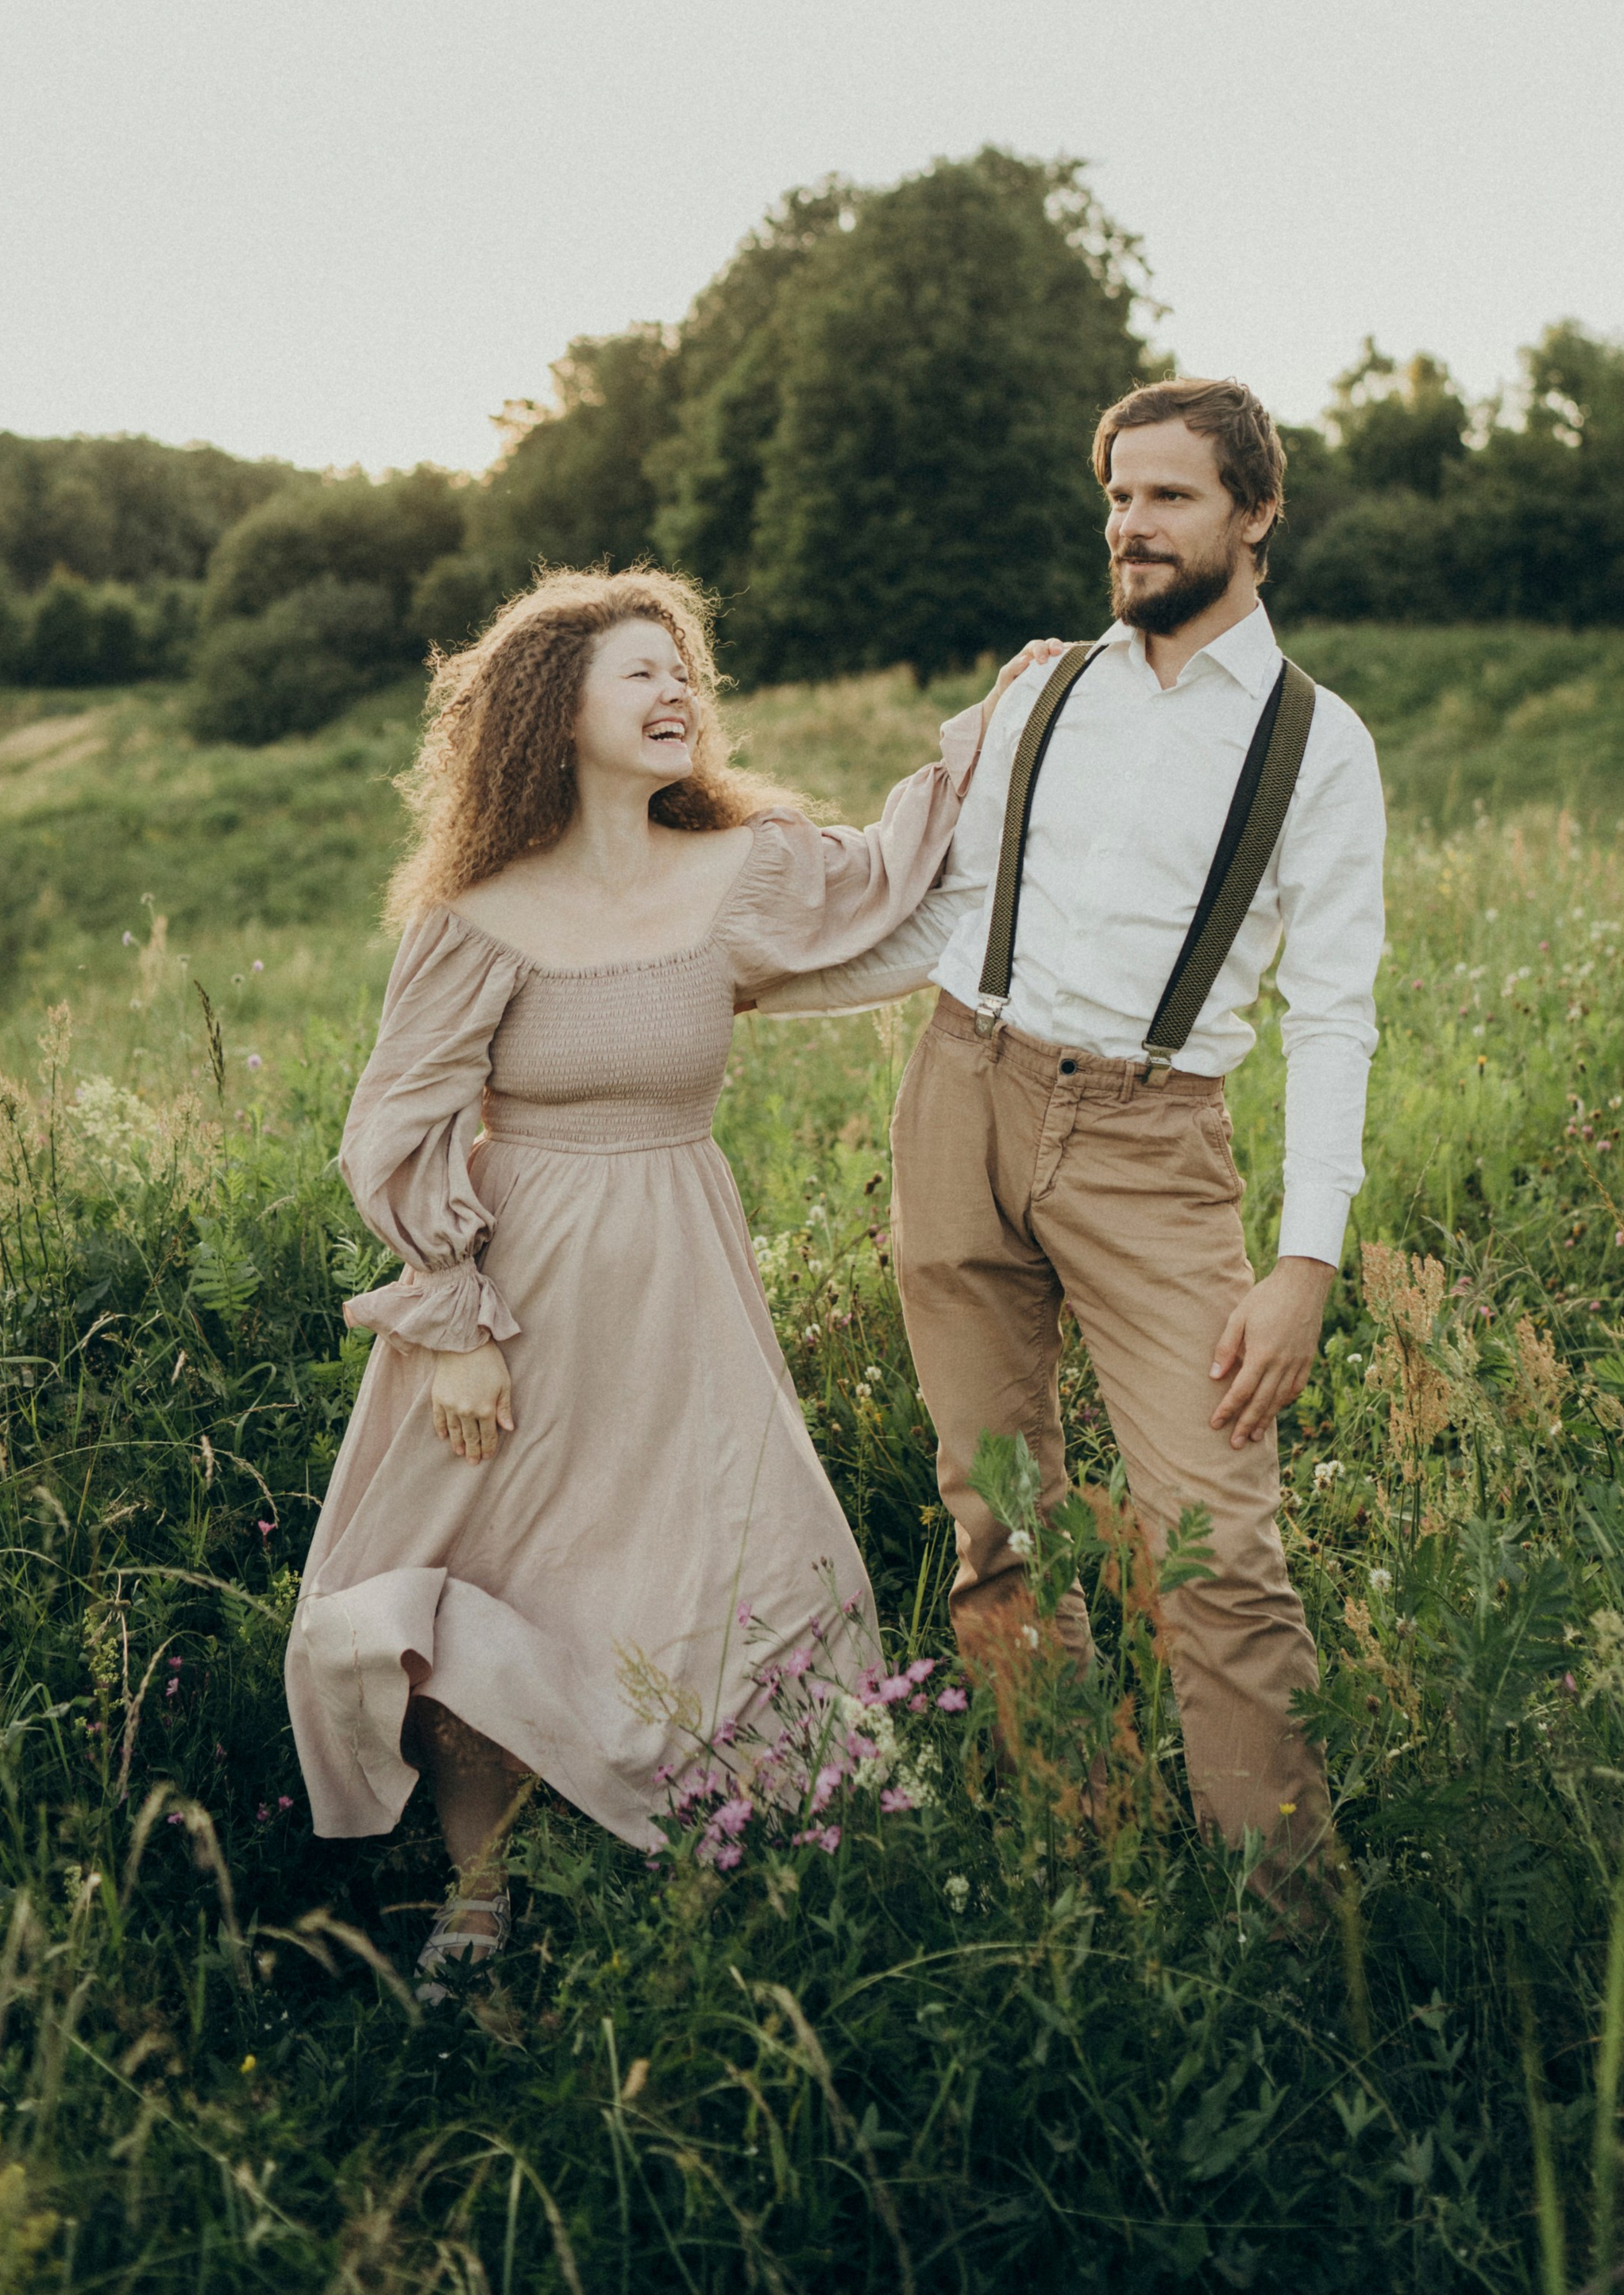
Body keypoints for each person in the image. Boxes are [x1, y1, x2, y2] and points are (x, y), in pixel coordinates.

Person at [285, 566, 1028, 1978]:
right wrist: (453, 1324)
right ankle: (480, 1896)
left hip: (683, 1278)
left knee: (759, 1554)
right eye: (640, 672)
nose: (678, 691)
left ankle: (778, 1869)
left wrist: (1006, 719)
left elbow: (898, 878)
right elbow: (394, 1129)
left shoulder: (743, 871)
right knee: (482, 1572)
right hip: (518, 1291)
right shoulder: (479, 915)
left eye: (685, 671)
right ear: (553, 711)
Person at [757, 379, 1387, 1884]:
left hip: (1152, 1148)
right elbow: (942, 918)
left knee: (1218, 1542)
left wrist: (1306, 1261)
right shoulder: (1039, 693)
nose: (1132, 526)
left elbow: (1334, 1012)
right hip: (960, 1096)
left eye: (1169, 496)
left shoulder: (1317, 744)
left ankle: (1290, 1916)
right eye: (1118, 497)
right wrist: (722, 988)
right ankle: (1073, 1851)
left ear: (1256, 513)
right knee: (1000, 1517)